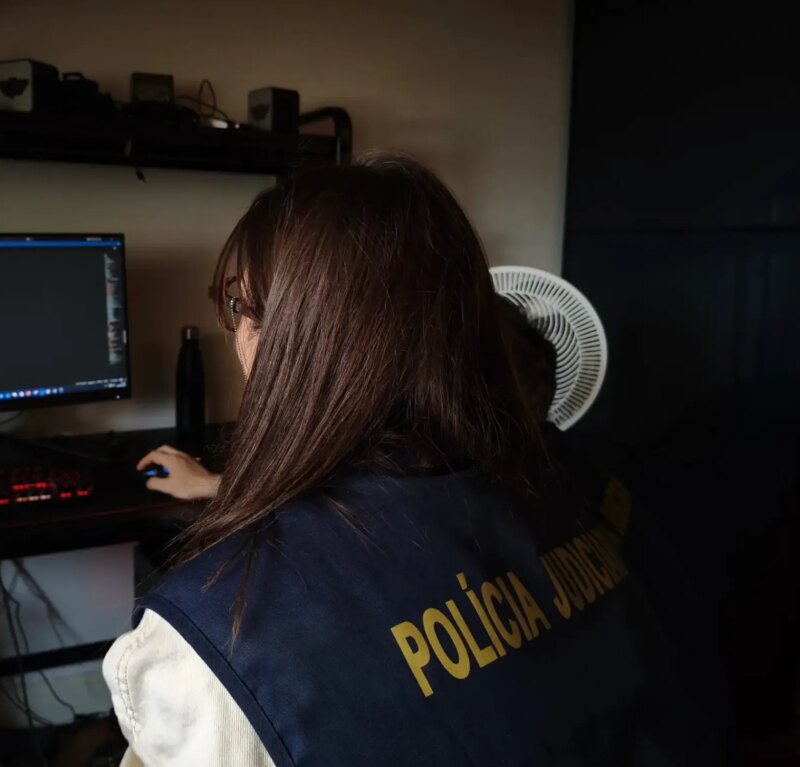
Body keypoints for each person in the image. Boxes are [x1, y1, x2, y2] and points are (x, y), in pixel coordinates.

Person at [104, 154, 724, 766]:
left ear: (294, 342)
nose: (231, 330)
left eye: (235, 306)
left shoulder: (210, 641)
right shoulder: (575, 487)